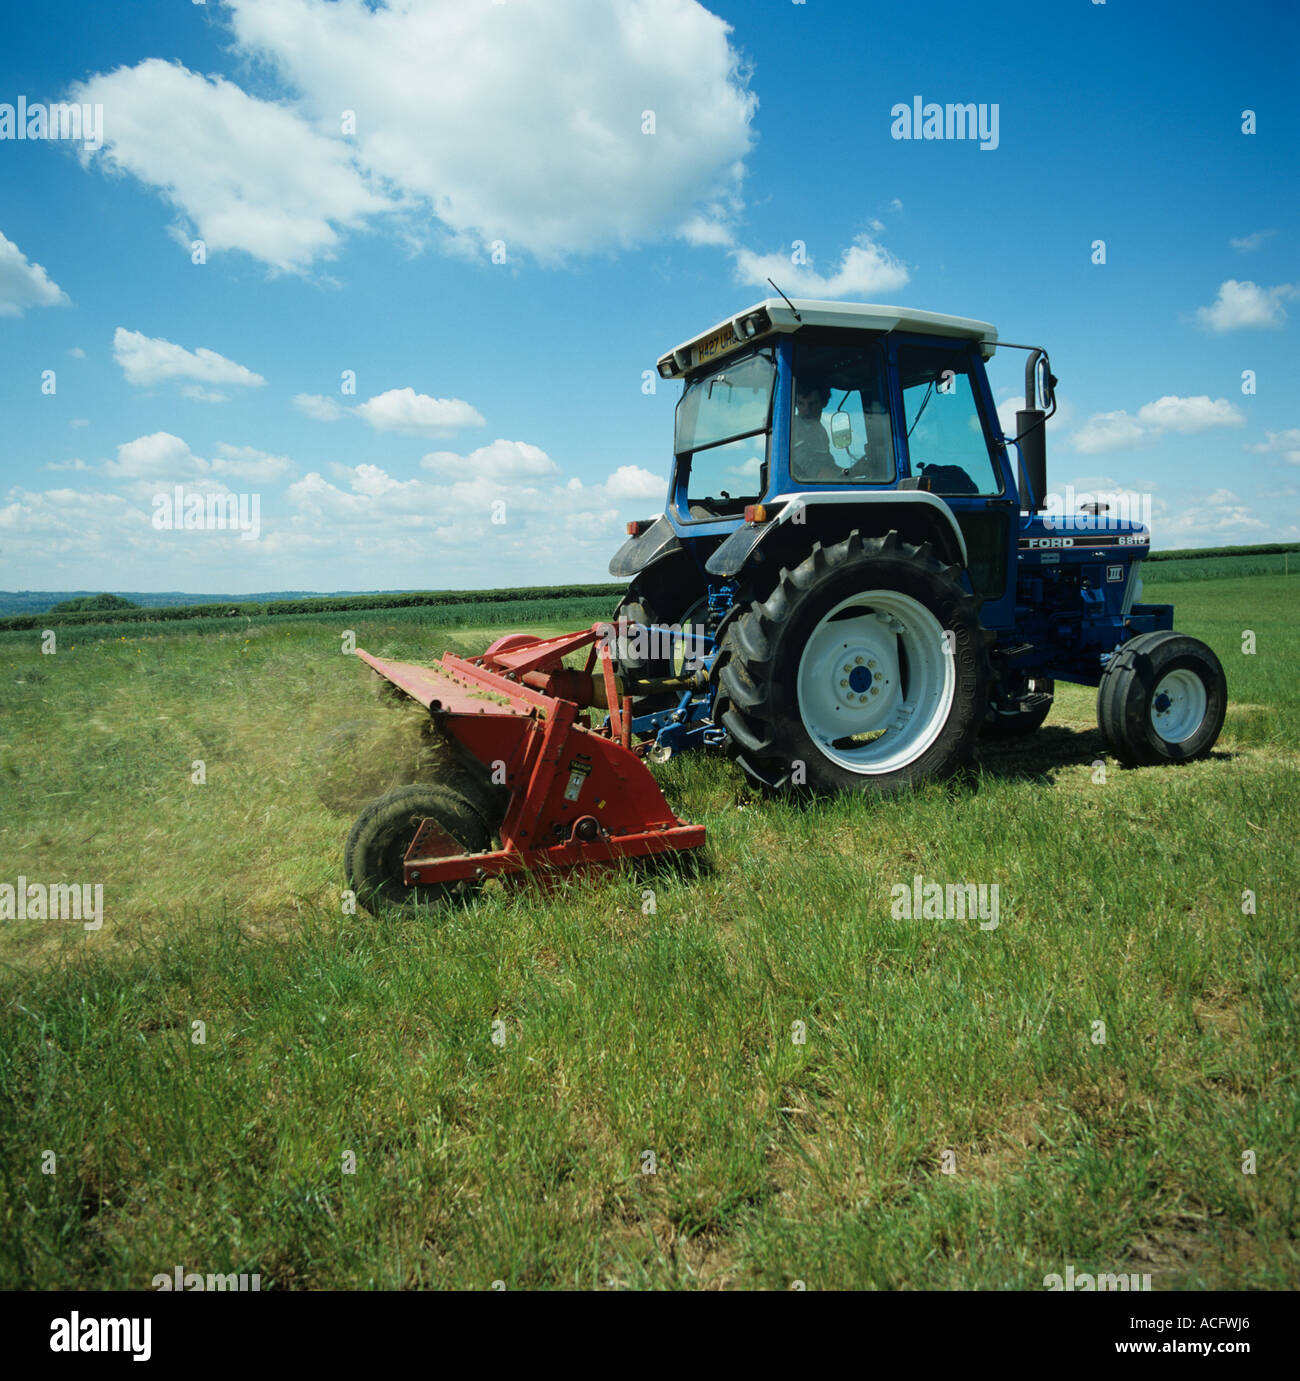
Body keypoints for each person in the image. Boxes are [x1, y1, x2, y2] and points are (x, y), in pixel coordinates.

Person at [791, 382, 842, 481]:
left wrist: (849, 472)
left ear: (824, 403)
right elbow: (811, 467)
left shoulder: (820, 431)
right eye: (801, 403)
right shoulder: (794, 428)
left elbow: (829, 463)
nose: (806, 409)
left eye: (812, 404)